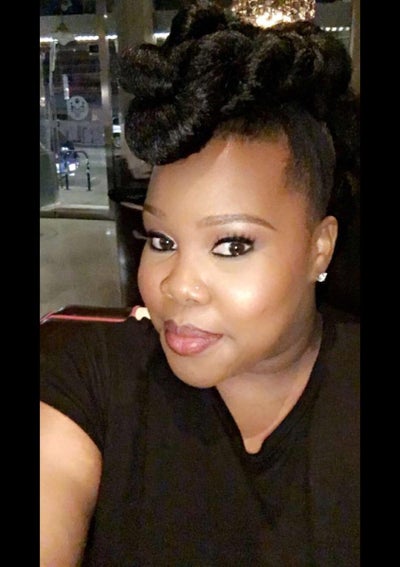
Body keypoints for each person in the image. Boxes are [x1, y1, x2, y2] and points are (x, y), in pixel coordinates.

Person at [40, 1, 360, 565]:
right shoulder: (96, 378)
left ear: (320, 247)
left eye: (232, 245)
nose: (178, 286)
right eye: (161, 240)